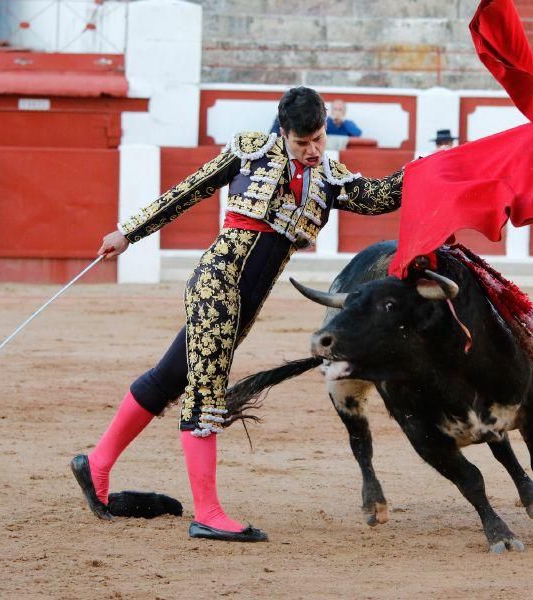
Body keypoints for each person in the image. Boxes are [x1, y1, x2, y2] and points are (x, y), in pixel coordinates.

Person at [71, 86, 404, 542]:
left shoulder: (330, 178)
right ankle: (208, 513)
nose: (312, 150)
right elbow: (186, 192)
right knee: (206, 392)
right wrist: (128, 233)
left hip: (245, 305)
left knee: (170, 376)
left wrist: (432, 169)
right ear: (283, 132)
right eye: (302, 142)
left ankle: (97, 464)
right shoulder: (250, 152)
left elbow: (382, 196)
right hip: (216, 286)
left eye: (319, 140)